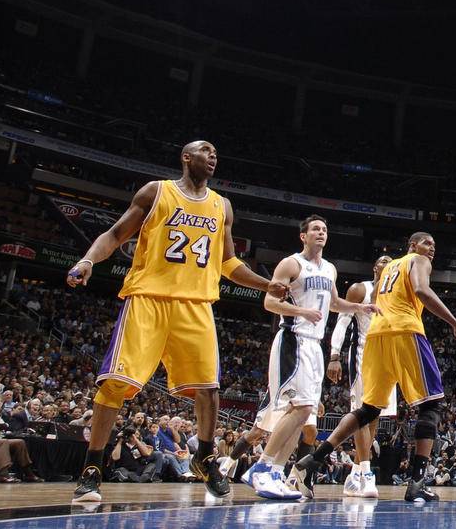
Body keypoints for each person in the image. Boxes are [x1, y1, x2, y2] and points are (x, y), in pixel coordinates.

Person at [65, 141, 287, 503]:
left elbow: (228, 263)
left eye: (216, 153)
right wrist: (88, 260)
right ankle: (92, 467)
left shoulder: (222, 206)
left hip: (196, 304)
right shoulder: (156, 192)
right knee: (115, 384)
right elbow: (115, 234)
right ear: (186, 157)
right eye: (205, 150)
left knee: (209, 388)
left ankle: (204, 456)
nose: (213, 156)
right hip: (148, 298)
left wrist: (266, 284)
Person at [296, 232, 456, 503]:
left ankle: (313, 460)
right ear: (412, 245)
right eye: (427, 243)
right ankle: (417, 483)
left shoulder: (389, 268)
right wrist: (455, 323)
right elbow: (422, 290)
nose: (431, 248)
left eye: (434, 245)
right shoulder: (418, 260)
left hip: (376, 337)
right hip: (405, 331)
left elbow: (376, 299)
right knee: (431, 405)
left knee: (368, 410)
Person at [247, 215, 376, 499]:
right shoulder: (291, 264)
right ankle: (261, 467)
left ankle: (276, 472)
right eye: (315, 229)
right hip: (293, 339)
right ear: (303, 236)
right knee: (302, 407)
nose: (321, 232)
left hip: (315, 345)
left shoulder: (330, 268)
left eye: (325, 229)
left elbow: (334, 304)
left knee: (305, 413)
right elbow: (270, 302)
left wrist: (359, 308)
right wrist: (301, 312)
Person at [328, 255, 394, 498]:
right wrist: (335, 355)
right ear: (375, 267)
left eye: (391, 261)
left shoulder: (394, 295)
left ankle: (355, 474)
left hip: (386, 357)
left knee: (374, 417)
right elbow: (342, 323)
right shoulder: (359, 289)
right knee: (361, 414)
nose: (387, 263)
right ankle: (366, 473)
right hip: (362, 354)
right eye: (382, 260)